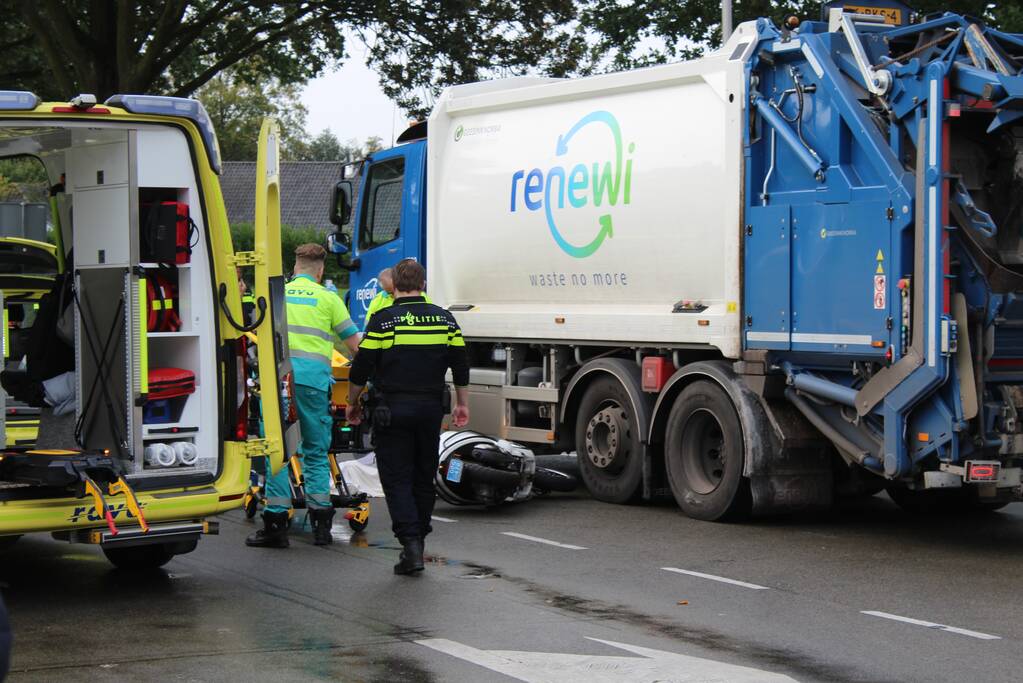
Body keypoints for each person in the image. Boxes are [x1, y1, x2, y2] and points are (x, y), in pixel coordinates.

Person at [346, 258, 469, 575]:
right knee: (422, 474)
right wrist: (462, 403)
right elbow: (460, 363)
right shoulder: (445, 320)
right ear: (423, 285)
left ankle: (410, 544)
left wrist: (352, 402)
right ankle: (420, 539)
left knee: (397, 477)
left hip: (392, 410)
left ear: (394, 286)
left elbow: (362, 366)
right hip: (430, 410)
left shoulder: (384, 321)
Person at [247, 244, 361, 548]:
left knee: (278, 453)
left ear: (295, 267)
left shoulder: (277, 295)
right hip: (312, 384)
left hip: (277, 383)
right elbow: (356, 346)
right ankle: (321, 527)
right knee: (315, 450)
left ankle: (276, 525)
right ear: (320, 270)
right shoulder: (329, 298)